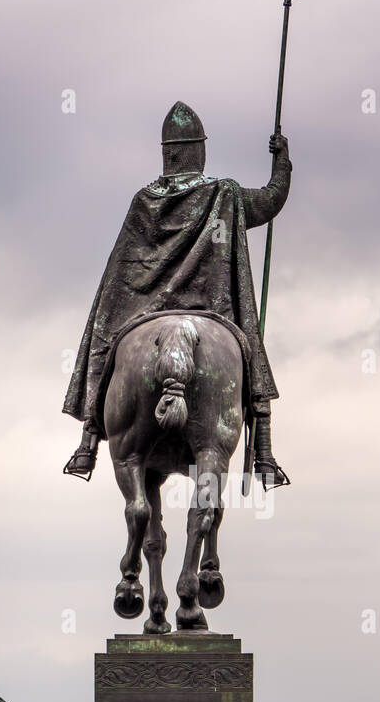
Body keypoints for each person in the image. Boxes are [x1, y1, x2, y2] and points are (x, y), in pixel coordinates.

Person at [63, 100, 292, 488]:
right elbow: (272, 200)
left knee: (107, 322)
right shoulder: (225, 194)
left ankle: (88, 438)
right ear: (199, 150)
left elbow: (121, 275)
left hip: (143, 308)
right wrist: (282, 161)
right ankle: (265, 449)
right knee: (248, 346)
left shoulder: (144, 201)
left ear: (167, 154)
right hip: (211, 309)